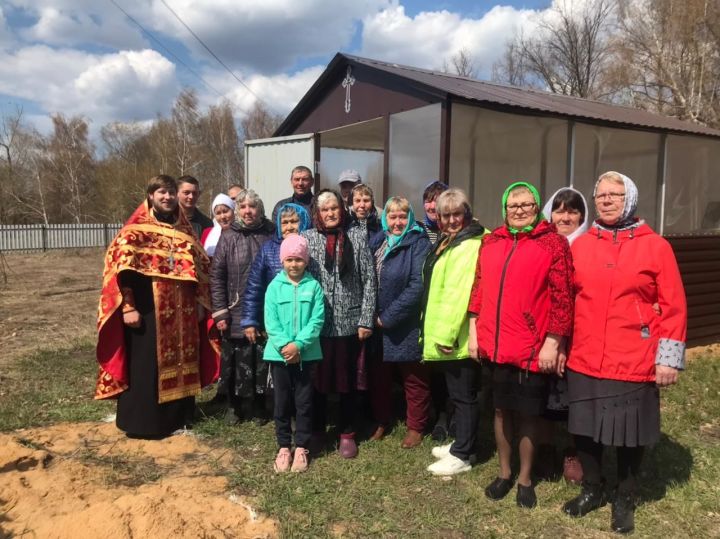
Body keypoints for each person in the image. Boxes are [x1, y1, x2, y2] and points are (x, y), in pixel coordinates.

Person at [562, 171, 687, 534]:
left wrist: (667, 357)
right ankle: (593, 488)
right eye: (600, 194)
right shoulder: (582, 245)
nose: (606, 200)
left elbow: (674, 306)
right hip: (584, 356)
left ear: (629, 198)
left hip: (633, 356)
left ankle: (625, 496)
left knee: (629, 434)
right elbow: (566, 300)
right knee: (585, 430)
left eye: (615, 194)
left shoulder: (656, 246)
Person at [469, 181, 574, 508]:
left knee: (529, 414)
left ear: (536, 207)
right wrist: (474, 331)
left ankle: (525, 478)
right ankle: (504, 473)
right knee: (501, 411)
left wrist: (553, 342)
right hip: (496, 343)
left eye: (526, 205)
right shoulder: (491, 241)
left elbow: (562, 297)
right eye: (513, 205)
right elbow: (478, 288)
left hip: (531, 347)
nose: (519, 210)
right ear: (504, 208)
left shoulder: (552, 243)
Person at [95, 174, 219, 439]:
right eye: (161, 192)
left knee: (184, 362)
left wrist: (200, 303)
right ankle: (144, 422)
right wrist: (128, 307)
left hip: (183, 313)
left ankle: (179, 418)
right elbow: (122, 272)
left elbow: (200, 270)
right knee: (146, 365)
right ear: (150, 195)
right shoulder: (134, 231)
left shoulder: (184, 230)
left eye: (171, 192)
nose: (168, 197)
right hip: (148, 311)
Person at [302, 189, 377, 458]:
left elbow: (369, 280)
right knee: (317, 382)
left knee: (348, 383)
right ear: (317, 214)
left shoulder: (357, 237)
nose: (331, 213)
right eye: (325, 210)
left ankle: (347, 433)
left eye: (334, 208)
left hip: (350, 323)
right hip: (318, 325)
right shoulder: (308, 239)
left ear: (341, 210)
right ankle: (318, 431)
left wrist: (366, 318)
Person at [421, 188, 487, 476]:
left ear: (467, 213)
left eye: (456, 214)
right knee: (458, 393)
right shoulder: (452, 241)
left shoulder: (469, 244)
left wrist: (446, 335)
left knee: (463, 395)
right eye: (445, 215)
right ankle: (462, 443)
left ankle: (463, 453)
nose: (450, 220)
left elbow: (458, 294)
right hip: (450, 334)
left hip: (457, 336)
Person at [368, 197, 432, 448]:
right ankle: (382, 420)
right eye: (392, 217)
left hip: (405, 323)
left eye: (402, 217)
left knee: (414, 378)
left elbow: (417, 286)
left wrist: (389, 316)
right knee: (379, 377)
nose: (397, 222)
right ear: (385, 219)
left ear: (410, 218)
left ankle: (416, 426)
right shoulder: (377, 241)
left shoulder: (418, 243)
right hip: (376, 322)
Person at [537, 187, 589, 484]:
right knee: (544, 396)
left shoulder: (588, 245)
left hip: (578, 335)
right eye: (559, 210)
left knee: (574, 397)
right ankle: (545, 449)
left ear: (582, 216)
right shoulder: (542, 243)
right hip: (542, 332)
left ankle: (573, 452)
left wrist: (564, 342)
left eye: (572, 211)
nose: (565, 216)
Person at [210, 188, 275, 424]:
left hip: (263, 308)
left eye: (252, 206)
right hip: (234, 308)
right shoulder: (228, 236)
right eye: (243, 207)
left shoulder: (270, 233)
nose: (248, 211)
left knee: (260, 358)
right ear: (238, 210)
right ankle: (233, 405)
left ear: (260, 209)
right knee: (234, 360)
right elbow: (217, 276)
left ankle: (259, 405)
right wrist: (220, 312)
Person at [264, 234, 325, 473]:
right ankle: (283, 446)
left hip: (306, 354)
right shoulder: (274, 288)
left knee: (304, 402)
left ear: (306, 261)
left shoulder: (314, 286)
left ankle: (301, 446)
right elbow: (271, 321)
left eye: (298, 260)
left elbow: (317, 319)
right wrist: (285, 346)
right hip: (280, 356)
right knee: (282, 403)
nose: (294, 264)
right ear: (282, 261)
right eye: (289, 259)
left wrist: (299, 345)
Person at [242, 203, 312, 347]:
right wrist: (250, 320)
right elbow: (254, 286)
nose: (289, 227)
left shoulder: (312, 246)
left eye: (294, 221)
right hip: (276, 323)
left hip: (306, 322)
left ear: (303, 221)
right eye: (285, 222)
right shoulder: (268, 249)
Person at [420, 181, 449, 245]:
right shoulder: (417, 230)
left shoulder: (453, 229)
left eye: (437, 201)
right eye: (428, 201)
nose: (433, 207)